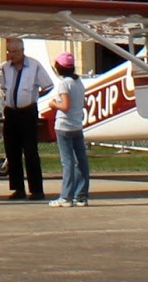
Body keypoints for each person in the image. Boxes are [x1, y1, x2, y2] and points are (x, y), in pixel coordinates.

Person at [0, 38, 53, 200]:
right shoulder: (5, 68)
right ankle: (18, 188)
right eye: (9, 52)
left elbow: (48, 86)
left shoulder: (34, 66)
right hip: (10, 112)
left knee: (30, 151)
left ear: (22, 51)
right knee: (12, 151)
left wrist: (32, 97)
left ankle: (36, 189)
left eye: (15, 52)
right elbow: (4, 87)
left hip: (27, 112)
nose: (12, 55)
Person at [47, 51, 89, 207]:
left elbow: (65, 106)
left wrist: (53, 104)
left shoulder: (64, 84)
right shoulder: (79, 82)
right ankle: (81, 196)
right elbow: (84, 103)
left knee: (68, 162)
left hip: (64, 126)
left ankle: (66, 197)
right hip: (77, 125)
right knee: (81, 161)